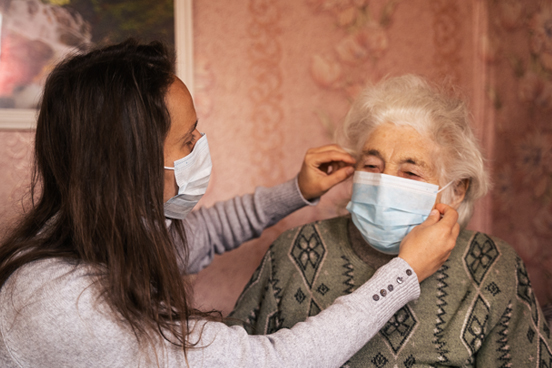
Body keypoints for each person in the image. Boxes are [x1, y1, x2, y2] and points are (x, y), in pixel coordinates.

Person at [0, 41, 460, 368]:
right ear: (129, 165)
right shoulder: (68, 306)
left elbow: (205, 234)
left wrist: (296, 191)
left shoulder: (110, 233)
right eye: (186, 140)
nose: (201, 144)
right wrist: (404, 275)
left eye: (410, 171)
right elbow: (277, 361)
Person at [228, 75, 552, 367]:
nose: (383, 185)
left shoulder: (491, 266)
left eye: (410, 173)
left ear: (456, 190)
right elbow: (234, 356)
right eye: (371, 166)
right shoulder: (294, 253)